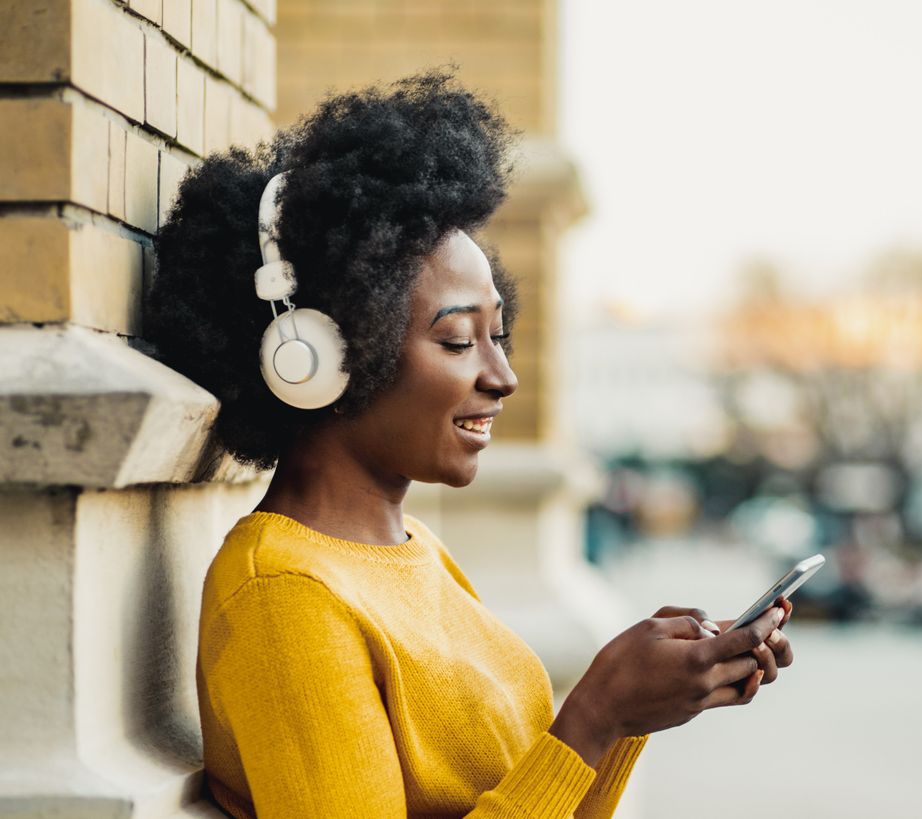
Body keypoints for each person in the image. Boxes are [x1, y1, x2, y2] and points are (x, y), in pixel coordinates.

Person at [146, 71, 795, 818]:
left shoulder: (414, 549)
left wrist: (633, 712)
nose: (504, 376)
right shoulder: (284, 594)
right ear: (317, 353)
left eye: (500, 334)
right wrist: (593, 717)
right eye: (457, 339)